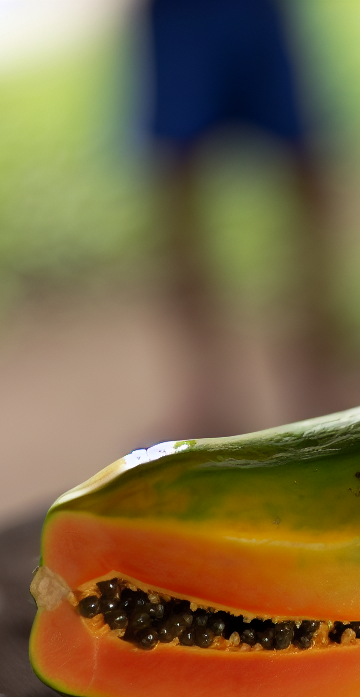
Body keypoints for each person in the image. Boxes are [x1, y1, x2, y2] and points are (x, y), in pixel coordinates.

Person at [144, 0, 339, 432]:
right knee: (178, 201)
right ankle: (207, 390)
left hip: (257, 12)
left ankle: (319, 377)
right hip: (177, 16)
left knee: (308, 181)